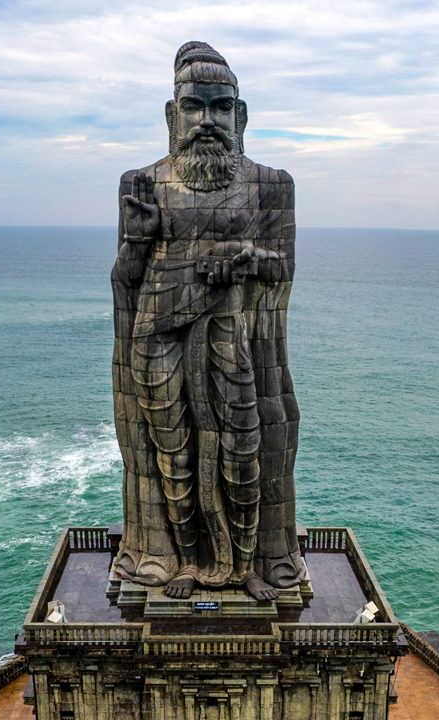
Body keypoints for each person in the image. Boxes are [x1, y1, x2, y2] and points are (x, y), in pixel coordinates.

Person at [110, 41, 305, 600]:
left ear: (240, 115)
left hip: (231, 334)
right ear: (172, 115)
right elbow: (126, 279)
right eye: (193, 107)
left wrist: (247, 256)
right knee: (171, 456)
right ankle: (182, 559)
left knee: (244, 450)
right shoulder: (142, 181)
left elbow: (282, 265)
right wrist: (137, 241)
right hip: (157, 335)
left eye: (220, 108)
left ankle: (245, 562)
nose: (207, 121)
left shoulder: (270, 183)